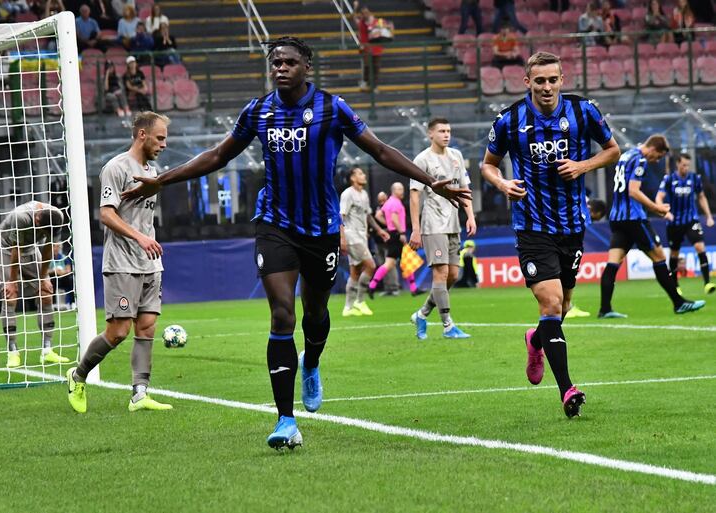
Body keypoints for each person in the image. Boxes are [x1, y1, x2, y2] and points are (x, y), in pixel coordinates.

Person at [120, 37, 470, 449]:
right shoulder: (258, 110)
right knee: (282, 316)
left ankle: (313, 362)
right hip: (275, 224)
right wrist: (162, 179)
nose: (280, 68)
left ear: (307, 66)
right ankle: (286, 419)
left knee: (316, 313)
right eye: (275, 62)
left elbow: (378, 149)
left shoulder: (332, 107)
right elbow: (218, 155)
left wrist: (430, 181)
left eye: (289, 62)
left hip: (320, 229)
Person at [481, 51, 621, 418]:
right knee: (552, 304)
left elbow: (613, 151)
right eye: (539, 80)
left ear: (563, 79)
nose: (546, 87)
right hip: (531, 226)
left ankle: (536, 339)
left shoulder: (583, 111)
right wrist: (502, 183)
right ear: (527, 81)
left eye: (552, 80)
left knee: (564, 306)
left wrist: (583, 165)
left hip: (572, 225)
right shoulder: (510, 120)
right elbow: (487, 165)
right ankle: (567, 390)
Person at [66, 112, 172, 414]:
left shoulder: (153, 171)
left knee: (148, 326)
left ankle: (139, 394)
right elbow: (107, 214)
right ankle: (78, 375)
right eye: (160, 137)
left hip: (150, 262)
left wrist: (146, 240)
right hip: (122, 261)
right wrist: (140, 237)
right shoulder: (115, 167)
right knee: (118, 332)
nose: (164, 144)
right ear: (142, 134)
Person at [599, 135, 705, 318]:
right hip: (633, 218)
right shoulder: (640, 159)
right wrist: (656, 208)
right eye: (657, 157)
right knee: (659, 256)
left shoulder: (626, 155)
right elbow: (633, 191)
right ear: (654, 149)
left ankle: (605, 309)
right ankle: (679, 303)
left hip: (616, 217)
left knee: (613, 262)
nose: (656, 161)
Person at [409, 118, 475, 340]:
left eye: (448, 130)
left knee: (453, 275)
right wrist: (415, 229)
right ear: (430, 134)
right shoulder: (422, 159)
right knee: (441, 273)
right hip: (433, 224)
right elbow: (415, 196)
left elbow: (464, 188)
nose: (446, 135)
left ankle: (422, 314)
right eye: (441, 131)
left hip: (453, 223)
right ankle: (448, 326)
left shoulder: (456, 156)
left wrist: (471, 216)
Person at [0, 201, 70, 368]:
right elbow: (16, 250)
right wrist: (12, 282)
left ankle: (47, 351)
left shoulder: (57, 217)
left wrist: (43, 278)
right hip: (5, 247)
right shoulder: (21, 217)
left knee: (46, 294)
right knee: (10, 296)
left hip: (30, 249)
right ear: (36, 218)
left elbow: (49, 247)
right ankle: (13, 352)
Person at [655, 153, 715, 294]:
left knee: (700, 247)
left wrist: (708, 216)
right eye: (683, 165)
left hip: (691, 220)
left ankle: (707, 283)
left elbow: (701, 196)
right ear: (677, 164)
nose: (686, 168)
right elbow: (658, 197)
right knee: (674, 253)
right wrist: (665, 212)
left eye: (688, 165)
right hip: (674, 222)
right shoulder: (669, 179)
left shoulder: (695, 178)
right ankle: (675, 285)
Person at [339, 167, 390, 317]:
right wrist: (342, 238)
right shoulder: (347, 194)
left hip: (362, 236)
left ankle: (348, 307)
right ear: (353, 178)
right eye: (360, 173)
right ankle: (359, 301)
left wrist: (379, 230)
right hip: (351, 235)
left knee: (355, 271)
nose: (364, 175)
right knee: (371, 265)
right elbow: (340, 216)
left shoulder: (364, 194)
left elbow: (368, 215)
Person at [367, 182, 423, 296]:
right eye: (399, 189)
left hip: (393, 234)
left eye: (402, 189)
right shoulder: (395, 203)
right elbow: (394, 218)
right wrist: (401, 232)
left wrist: (388, 225)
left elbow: (378, 215)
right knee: (390, 263)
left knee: (405, 261)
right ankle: (372, 285)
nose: (402, 191)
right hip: (397, 234)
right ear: (393, 190)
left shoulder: (388, 202)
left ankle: (413, 289)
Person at [373, 190, 400, 294]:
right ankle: (387, 288)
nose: (381, 202)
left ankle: (394, 287)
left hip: (388, 240)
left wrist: (387, 227)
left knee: (390, 264)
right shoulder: (378, 208)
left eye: (383, 199)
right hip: (378, 241)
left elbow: (393, 222)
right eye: (380, 200)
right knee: (381, 265)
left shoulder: (390, 207)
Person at [355, 5, 384, 91]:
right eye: (363, 13)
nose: (365, 15)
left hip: (377, 48)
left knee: (376, 67)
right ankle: (365, 81)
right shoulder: (361, 22)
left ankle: (374, 86)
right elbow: (353, 18)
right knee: (367, 65)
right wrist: (355, 7)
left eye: (366, 13)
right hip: (366, 48)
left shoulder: (376, 22)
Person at [49, 242, 74, 310]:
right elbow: (45, 271)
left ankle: (71, 303)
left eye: (57, 246)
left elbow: (68, 270)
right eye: (54, 246)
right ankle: (52, 304)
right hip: (53, 278)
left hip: (63, 278)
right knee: (50, 283)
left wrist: (62, 272)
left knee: (71, 281)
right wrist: (54, 271)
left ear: (60, 247)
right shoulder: (48, 258)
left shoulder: (64, 257)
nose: (55, 248)